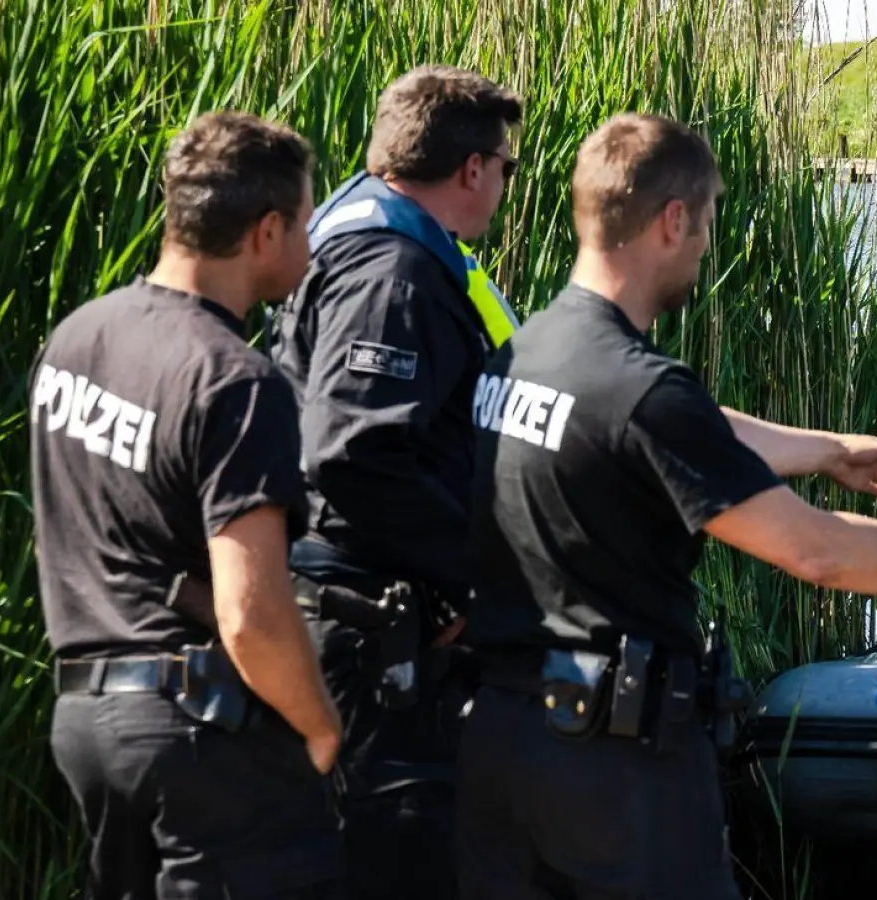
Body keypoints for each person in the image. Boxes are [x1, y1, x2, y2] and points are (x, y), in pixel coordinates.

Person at [454, 112, 877, 900]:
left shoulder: (520, 355)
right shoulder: (642, 387)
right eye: (707, 225)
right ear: (672, 220)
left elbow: (671, 436)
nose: (707, 247)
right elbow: (815, 551)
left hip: (502, 748)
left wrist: (825, 449)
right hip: (615, 777)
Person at [29, 111, 345, 898]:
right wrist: (320, 726)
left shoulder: (78, 336)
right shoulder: (236, 381)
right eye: (306, 223)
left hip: (86, 723)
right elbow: (251, 613)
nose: (310, 246)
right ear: (266, 231)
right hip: (197, 739)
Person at [269, 64, 524, 900]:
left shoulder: (376, 238)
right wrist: (463, 583)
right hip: (366, 624)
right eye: (507, 166)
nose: (504, 185)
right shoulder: (391, 271)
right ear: (473, 168)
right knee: (393, 858)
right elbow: (352, 449)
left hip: (374, 613)